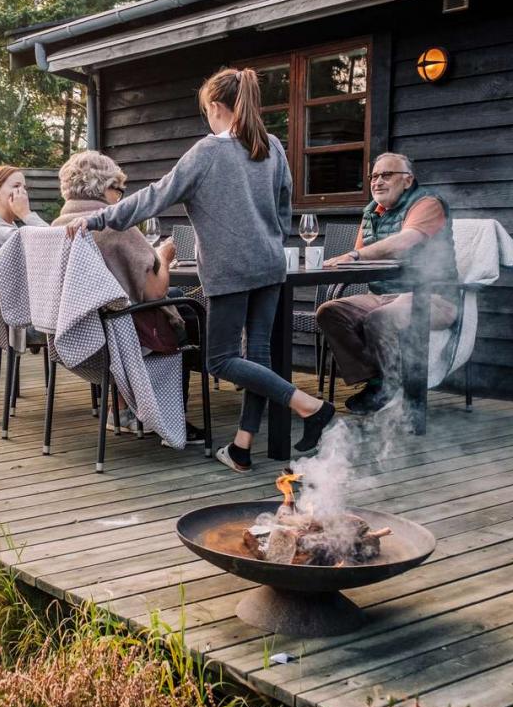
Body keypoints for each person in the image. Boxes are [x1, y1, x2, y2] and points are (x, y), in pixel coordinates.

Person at [66, 67, 337, 471]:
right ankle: (242, 448)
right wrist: (270, 242)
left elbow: (155, 197)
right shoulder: (273, 147)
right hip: (270, 264)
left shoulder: (208, 152)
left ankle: (310, 406)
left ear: (215, 107)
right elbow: (285, 207)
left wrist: (98, 219)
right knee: (257, 358)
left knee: (222, 360)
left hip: (231, 270)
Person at [51, 150, 205, 444]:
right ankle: (169, 416)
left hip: (80, 335)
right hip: (122, 338)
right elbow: (154, 291)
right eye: (117, 189)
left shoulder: (59, 226)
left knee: (170, 301)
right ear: (100, 187)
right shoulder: (114, 225)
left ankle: (120, 408)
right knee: (187, 314)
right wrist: (164, 254)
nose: (121, 198)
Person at [316, 152, 460, 414]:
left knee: (380, 318)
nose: (377, 182)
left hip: (432, 296)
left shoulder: (427, 203)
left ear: (407, 180)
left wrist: (355, 255)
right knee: (330, 312)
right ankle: (379, 382)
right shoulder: (372, 212)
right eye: (374, 176)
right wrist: (346, 260)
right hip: (383, 295)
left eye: (386, 175)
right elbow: (360, 260)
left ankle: (391, 388)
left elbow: (404, 241)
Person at [0, 165, 47, 255]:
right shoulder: (0, 232)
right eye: (16, 186)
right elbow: (53, 243)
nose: (23, 192)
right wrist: (26, 214)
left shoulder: (3, 226)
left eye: (24, 187)